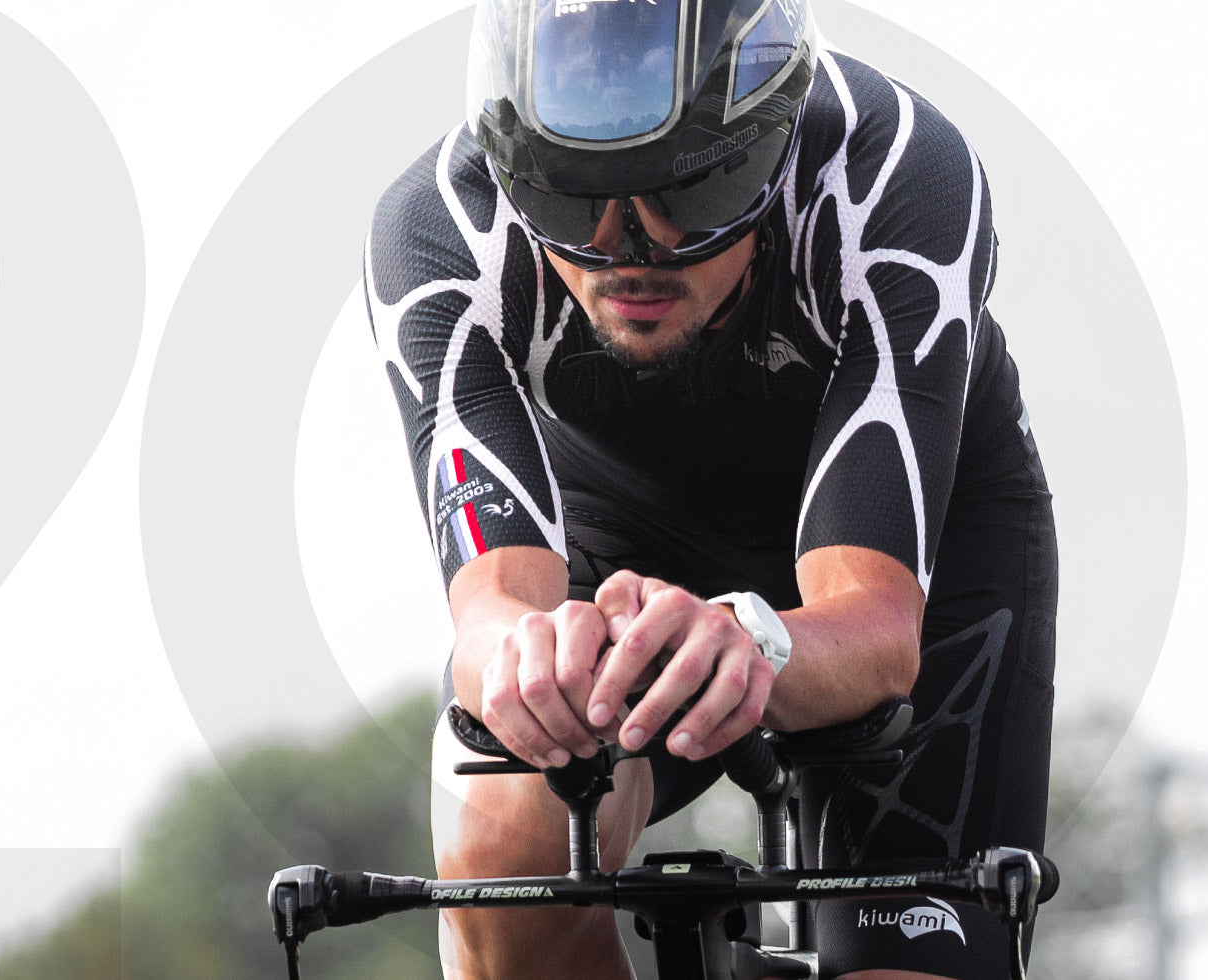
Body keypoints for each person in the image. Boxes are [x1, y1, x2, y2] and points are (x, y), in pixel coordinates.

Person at [362, 1, 1058, 977]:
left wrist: (754, 636)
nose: (630, 251)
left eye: (693, 191)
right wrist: (532, 659)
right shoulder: (440, 223)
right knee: (504, 844)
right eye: (569, 197)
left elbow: (874, 622)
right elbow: (492, 617)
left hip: (911, 543)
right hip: (617, 546)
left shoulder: (894, 169)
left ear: (773, 141)